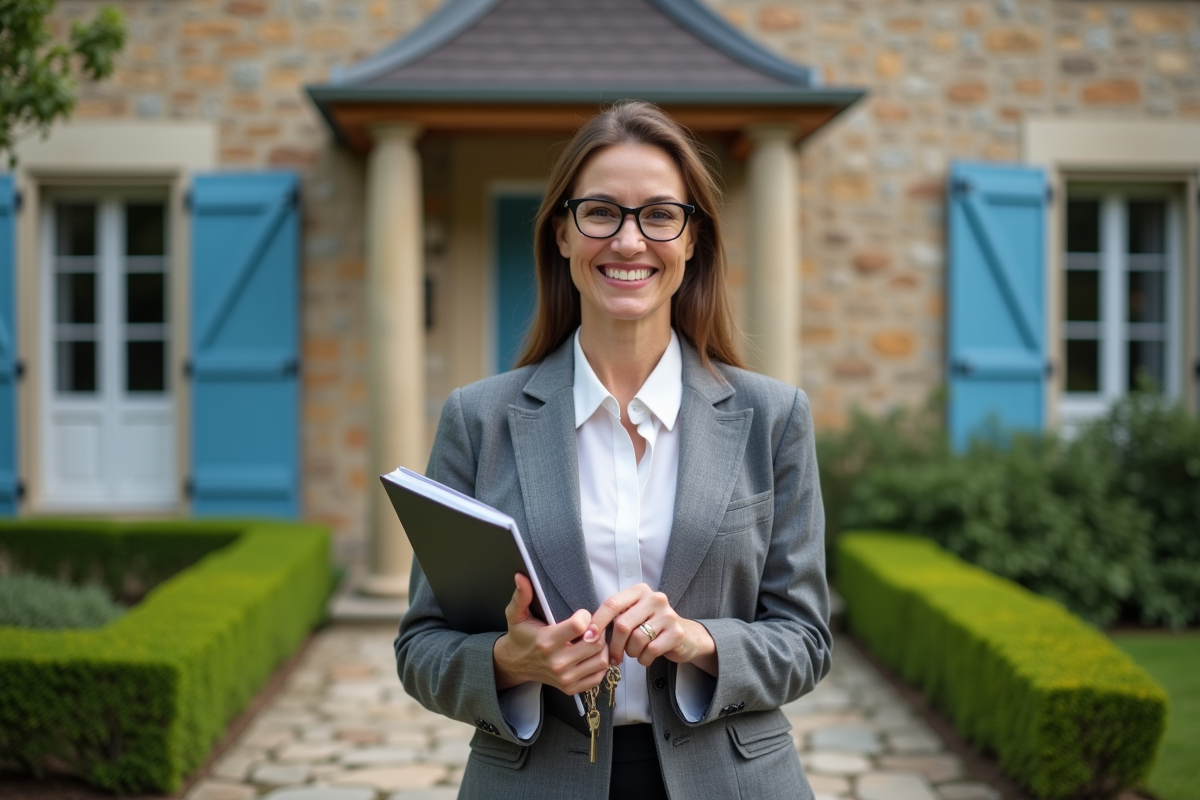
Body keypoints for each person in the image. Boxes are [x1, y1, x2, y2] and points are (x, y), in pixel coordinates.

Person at [396, 100, 831, 800]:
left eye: (659, 215)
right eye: (601, 212)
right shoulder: (477, 421)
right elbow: (420, 649)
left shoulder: (772, 417)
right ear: (562, 235)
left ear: (693, 241)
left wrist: (701, 642)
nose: (629, 241)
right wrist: (510, 664)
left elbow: (807, 640)